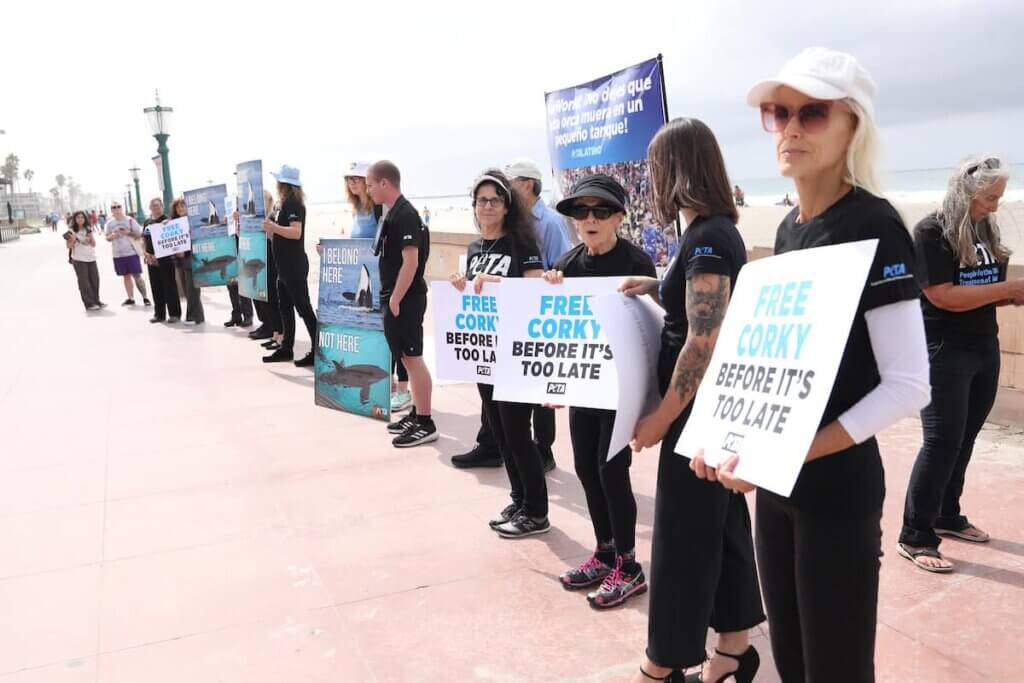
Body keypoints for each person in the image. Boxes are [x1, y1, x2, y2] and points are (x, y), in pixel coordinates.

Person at [692, 47, 932, 682]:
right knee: (792, 660)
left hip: (837, 491)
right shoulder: (793, 228)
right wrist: (723, 438)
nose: (792, 128)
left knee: (838, 668)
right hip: (775, 488)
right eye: (779, 112)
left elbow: (908, 385)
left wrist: (786, 454)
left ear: (853, 124)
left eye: (814, 113)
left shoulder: (876, 226)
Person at [620, 119, 764, 682]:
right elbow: (698, 303)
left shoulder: (707, 237)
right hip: (706, 410)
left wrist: (659, 418)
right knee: (722, 527)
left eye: (656, 168)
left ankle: (663, 663)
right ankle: (734, 647)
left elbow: (703, 337)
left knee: (682, 541)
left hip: (694, 414)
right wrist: (655, 283)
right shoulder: (711, 231)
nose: (650, 181)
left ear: (676, 169)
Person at [899, 156, 1019, 573]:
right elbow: (943, 295)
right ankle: (915, 534)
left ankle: (947, 514)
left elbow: (981, 288)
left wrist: (1009, 295)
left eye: (999, 197)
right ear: (966, 192)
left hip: (984, 345)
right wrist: (1007, 288)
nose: (995, 205)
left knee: (966, 436)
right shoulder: (931, 232)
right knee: (941, 441)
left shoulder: (984, 229)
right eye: (989, 197)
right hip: (942, 350)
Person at [542, 174, 656, 606]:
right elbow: (557, 331)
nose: (589, 218)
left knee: (613, 472)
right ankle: (605, 551)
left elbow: (651, 331)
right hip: (584, 386)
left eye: (601, 211)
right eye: (581, 211)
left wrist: (648, 401)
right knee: (588, 470)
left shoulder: (639, 263)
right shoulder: (568, 265)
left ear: (619, 218)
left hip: (621, 390)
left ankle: (629, 565)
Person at [449, 169, 548, 537]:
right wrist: (461, 285)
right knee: (501, 435)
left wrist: (498, 283)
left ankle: (537, 511)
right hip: (484, 354)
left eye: (494, 199)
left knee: (519, 434)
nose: (487, 206)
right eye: (481, 200)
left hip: (516, 353)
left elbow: (536, 289)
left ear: (507, 206)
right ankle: (519, 499)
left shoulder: (520, 243)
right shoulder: (475, 249)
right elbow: (472, 297)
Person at [366, 160, 437, 447]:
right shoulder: (391, 213)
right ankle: (415, 413)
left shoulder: (405, 214)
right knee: (406, 358)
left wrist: (395, 298)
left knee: (413, 359)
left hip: (405, 300)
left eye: (371, 184)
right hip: (396, 299)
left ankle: (425, 421)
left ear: (385, 183)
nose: (369, 190)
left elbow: (411, 261)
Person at [507, 158, 572, 468]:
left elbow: (563, 266)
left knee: (544, 386)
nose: (507, 188)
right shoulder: (514, 220)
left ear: (528, 184)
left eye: (511, 182)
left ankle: (544, 450)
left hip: (544, 312)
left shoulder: (551, 222)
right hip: (518, 312)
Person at [261, 165, 317, 366]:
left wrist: (274, 227)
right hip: (282, 266)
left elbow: (296, 232)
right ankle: (286, 348)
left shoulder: (294, 203)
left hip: (293, 265)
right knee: (285, 307)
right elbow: (277, 234)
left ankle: (317, 351)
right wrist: (270, 230)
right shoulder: (280, 204)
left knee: (303, 308)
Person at [249, 190, 284, 345]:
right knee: (262, 296)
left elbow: (274, 238)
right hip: (260, 260)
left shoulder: (272, 217)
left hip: (271, 261)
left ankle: (275, 330)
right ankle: (270, 327)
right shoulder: (256, 218)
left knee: (272, 297)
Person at [142, 198, 182, 324]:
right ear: (150, 208)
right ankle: (159, 314)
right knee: (156, 287)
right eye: (153, 206)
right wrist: (146, 253)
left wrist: (169, 223)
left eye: (158, 205)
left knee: (169, 287)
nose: (155, 208)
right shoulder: (147, 222)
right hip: (151, 260)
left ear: (162, 206)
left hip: (165, 259)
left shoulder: (167, 220)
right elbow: (143, 239)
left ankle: (174, 314)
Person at [104, 202, 150, 306]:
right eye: (113, 207)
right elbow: (107, 237)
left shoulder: (130, 220)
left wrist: (127, 232)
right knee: (125, 276)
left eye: (118, 206)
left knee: (137, 275)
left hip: (131, 252)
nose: (116, 209)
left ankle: (145, 298)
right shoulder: (109, 223)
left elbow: (139, 234)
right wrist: (112, 236)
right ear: (111, 210)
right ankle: (130, 298)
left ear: (122, 208)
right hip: (118, 254)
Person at [169, 198, 205, 324]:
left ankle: (195, 316)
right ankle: (195, 316)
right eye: (178, 207)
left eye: (183, 206)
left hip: (192, 258)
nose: (180, 209)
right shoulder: (173, 223)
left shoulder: (193, 222)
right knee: (186, 289)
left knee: (192, 289)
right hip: (180, 260)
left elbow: (197, 239)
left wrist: (186, 251)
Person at [65, 210, 104, 310]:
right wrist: (73, 240)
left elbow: (94, 244)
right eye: (78, 217)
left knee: (95, 280)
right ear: (74, 219)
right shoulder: (71, 231)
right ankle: (89, 304)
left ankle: (96, 301)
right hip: (79, 259)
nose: (80, 219)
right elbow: (68, 246)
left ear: (85, 218)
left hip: (91, 257)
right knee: (84, 282)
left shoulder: (88, 229)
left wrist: (89, 239)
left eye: (82, 217)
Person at [225, 209, 254, 328]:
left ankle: (248, 316)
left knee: (244, 285)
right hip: (230, 253)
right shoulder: (228, 217)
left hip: (243, 254)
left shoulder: (247, 216)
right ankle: (236, 315)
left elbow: (251, 233)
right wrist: (225, 224)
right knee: (231, 285)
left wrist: (240, 220)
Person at [345, 161, 382, 239]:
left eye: (355, 178)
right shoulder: (355, 209)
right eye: (348, 178)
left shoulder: (380, 207)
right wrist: (325, 247)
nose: (351, 182)